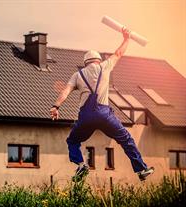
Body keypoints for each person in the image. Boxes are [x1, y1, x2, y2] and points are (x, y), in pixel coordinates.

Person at [49, 28, 154, 182]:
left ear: (85, 62)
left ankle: (80, 164)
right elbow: (118, 53)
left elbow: (65, 91)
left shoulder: (77, 75)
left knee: (72, 140)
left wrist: (56, 107)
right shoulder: (105, 67)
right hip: (105, 115)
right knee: (126, 139)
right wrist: (126, 38)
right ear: (98, 60)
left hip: (86, 117)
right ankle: (141, 169)